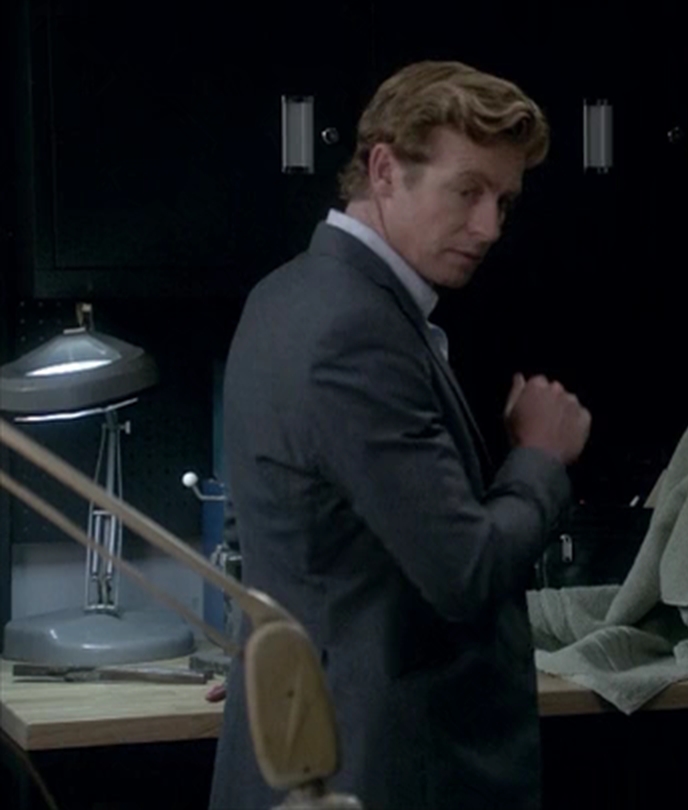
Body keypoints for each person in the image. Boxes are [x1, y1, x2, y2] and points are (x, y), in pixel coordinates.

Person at [209, 61, 591, 810]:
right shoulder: (355, 328)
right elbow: (466, 572)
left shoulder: (283, 293)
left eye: (504, 200)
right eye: (468, 192)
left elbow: (261, 527)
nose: (490, 228)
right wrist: (540, 458)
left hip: (313, 742)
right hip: (380, 765)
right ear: (384, 170)